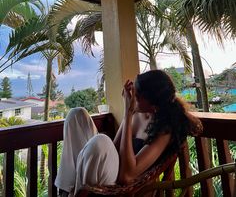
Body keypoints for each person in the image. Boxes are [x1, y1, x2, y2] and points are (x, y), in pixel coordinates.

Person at [55, 70, 203, 196]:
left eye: (137, 96)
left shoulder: (164, 130)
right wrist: (129, 116)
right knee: (77, 115)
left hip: (119, 181)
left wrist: (128, 111)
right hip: (111, 168)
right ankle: (66, 190)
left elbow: (127, 176)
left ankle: (77, 193)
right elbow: (115, 146)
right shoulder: (138, 114)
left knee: (100, 141)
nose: (133, 98)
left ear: (152, 103)